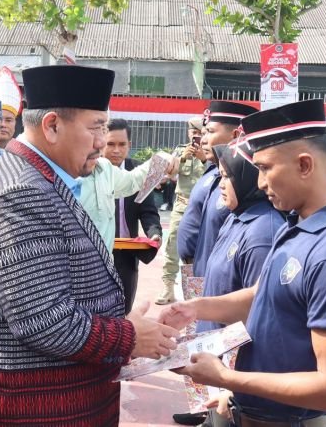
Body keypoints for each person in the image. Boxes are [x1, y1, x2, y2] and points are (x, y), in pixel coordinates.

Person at [0, 65, 179, 426]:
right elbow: (45, 321)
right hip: (38, 409)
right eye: (96, 128)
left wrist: (131, 325)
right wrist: (130, 336)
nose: (102, 142)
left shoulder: (43, 177)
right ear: (53, 125)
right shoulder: (22, 194)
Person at [162, 99, 326, 427]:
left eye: (265, 168)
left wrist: (227, 378)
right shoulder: (298, 225)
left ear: (304, 165)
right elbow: (261, 296)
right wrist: (195, 309)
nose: (260, 183)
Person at [195, 143, 283, 333]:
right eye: (220, 176)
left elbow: (256, 309)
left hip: (229, 355)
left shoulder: (263, 233)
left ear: (248, 179)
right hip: (211, 344)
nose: (220, 184)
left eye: (227, 177)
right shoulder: (236, 217)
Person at [177, 101, 256, 278]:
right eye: (203, 133)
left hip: (218, 278)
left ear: (237, 135)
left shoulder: (244, 182)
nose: (202, 140)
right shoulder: (212, 171)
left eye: (210, 132)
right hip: (197, 271)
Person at [104, 118, 163, 314]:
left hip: (127, 254)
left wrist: (154, 233)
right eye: (110, 144)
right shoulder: (89, 172)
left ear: (130, 145)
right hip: (98, 253)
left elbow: (148, 211)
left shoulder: (138, 172)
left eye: (122, 144)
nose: (116, 150)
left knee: (125, 309)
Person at [156, 116, 205, 305]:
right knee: (172, 243)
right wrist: (183, 157)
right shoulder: (179, 151)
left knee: (197, 248)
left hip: (202, 207)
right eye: (193, 133)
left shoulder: (210, 153)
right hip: (182, 205)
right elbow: (167, 176)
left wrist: (203, 159)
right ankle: (168, 286)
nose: (196, 137)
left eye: (200, 133)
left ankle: (195, 292)